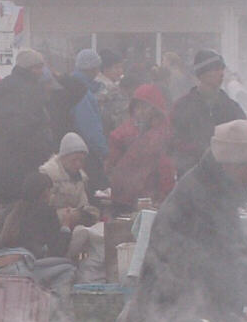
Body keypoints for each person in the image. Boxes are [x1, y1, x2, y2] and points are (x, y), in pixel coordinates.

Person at [127, 119, 247, 322]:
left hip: (185, 318)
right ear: (233, 162)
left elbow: (227, 258)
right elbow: (221, 264)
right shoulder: (204, 196)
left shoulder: (214, 189)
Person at [0, 49, 55, 204]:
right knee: (19, 209)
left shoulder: (8, 85)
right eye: (37, 67)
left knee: (7, 207)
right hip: (19, 163)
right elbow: (25, 128)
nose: (41, 71)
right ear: (28, 68)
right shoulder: (28, 91)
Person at [170, 49, 246, 176]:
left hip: (224, 180)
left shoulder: (231, 107)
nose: (221, 73)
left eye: (222, 69)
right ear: (202, 74)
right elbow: (173, 142)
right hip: (192, 177)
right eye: (216, 69)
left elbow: (243, 139)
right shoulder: (182, 107)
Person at [105, 84, 176, 211]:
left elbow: (166, 169)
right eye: (138, 107)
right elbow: (112, 164)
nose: (141, 111)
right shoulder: (121, 135)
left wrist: (164, 197)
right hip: (127, 198)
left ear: (155, 110)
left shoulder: (163, 135)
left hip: (151, 198)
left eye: (145, 107)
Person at [70, 49, 111, 190]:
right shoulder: (82, 92)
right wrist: (104, 152)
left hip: (72, 149)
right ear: (93, 68)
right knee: (97, 189)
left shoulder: (72, 85)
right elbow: (89, 127)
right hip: (86, 152)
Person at [40, 132, 96, 225]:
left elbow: (84, 204)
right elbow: (43, 208)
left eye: (81, 160)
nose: (78, 164)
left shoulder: (81, 179)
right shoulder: (48, 175)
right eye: (74, 160)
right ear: (63, 158)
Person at [94, 48, 130, 134]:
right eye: (116, 67)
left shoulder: (108, 85)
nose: (120, 71)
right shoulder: (104, 88)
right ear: (105, 69)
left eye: (121, 67)